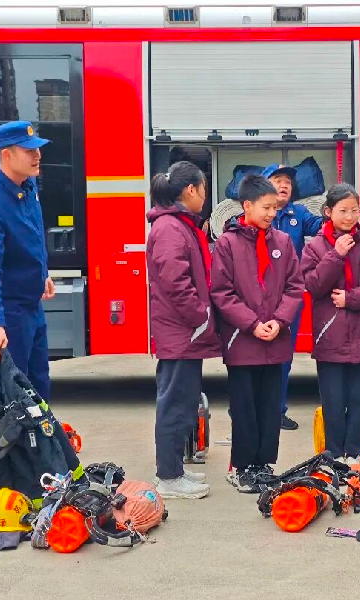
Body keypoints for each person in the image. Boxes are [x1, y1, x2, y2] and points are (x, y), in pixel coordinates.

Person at [0, 120, 84, 495]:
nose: (37, 156)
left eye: (37, 149)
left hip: (31, 307)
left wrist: (42, 274)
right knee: (9, 403)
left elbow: (32, 235)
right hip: (9, 315)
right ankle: (10, 484)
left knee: (37, 393)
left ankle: (41, 474)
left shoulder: (26, 186)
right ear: (6, 155)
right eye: (28, 150)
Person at [210, 174, 305, 493]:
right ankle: (243, 467)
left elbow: (295, 287)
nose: (271, 213)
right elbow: (222, 292)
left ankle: (264, 464)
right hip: (242, 341)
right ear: (247, 206)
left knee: (270, 407)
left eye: (275, 208)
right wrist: (252, 324)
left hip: (275, 340)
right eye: (266, 207)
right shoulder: (228, 244)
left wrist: (279, 320)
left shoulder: (283, 242)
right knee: (244, 408)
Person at [300, 183, 360, 463]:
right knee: (332, 400)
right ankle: (333, 454)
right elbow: (313, 285)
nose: (350, 217)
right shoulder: (316, 247)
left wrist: (351, 298)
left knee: (359, 400)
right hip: (330, 335)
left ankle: (355, 453)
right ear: (328, 212)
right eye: (343, 211)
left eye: (355, 210)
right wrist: (336, 255)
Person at [146, 160, 221, 500]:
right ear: (190, 190)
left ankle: (173, 468)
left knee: (183, 402)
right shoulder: (170, 228)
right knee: (175, 405)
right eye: (203, 188)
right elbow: (175, 282)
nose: (204, 195)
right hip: (181, 332)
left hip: (184, 333)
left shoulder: (178, 225)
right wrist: (199, 316)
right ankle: (169, 477)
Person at [263, 164, 323, 431]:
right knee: (255, 356)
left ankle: (277, 412)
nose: (284, 184)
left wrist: (336, 211)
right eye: (277, 179)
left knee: (284, 356)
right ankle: (254, 411)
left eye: (287, 180)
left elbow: (321, 226)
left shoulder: (298, 213)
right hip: (261, 297)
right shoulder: (256, 215)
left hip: (289, 298)